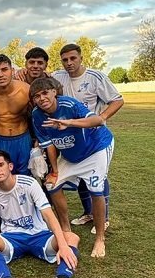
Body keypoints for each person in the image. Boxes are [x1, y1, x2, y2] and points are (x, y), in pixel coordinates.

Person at [0, 150, 84, 278]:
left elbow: (48, 215)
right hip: (12, 238)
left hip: (39, 235)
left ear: (10, 166)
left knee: (71, 238)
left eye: (1, 165)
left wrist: (63, 245)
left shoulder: (29, 183)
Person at [30, 77, 114, 258]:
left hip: (95, 149)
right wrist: (54, 171)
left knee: (96, 189)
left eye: (45, 93)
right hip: (71, 154)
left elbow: (98, 120)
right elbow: (49, 145)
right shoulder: (37, 115)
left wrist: (69, 122)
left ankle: (100, 238)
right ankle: (65, 229)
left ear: (54, 92)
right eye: (36, 96)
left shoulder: (69, 104)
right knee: (51, 185)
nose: (42, 98)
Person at [52, 43, 124, 232]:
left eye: (73, 58)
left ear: (81, 58)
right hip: (72, 138)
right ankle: (89, 213)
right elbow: (41, 85)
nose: (69, 63)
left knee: (98, 178)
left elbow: (117, 100)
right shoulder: (57, 77)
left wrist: (102, 117)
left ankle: (104, 218)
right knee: (82, 177)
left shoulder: (95, 77)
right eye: (65, 60)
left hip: (94, 138)